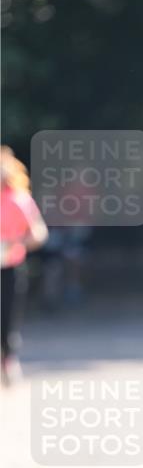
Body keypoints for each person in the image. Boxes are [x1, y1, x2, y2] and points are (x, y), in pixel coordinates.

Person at [1, 146, 49, 385]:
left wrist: (17, 242)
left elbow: (38, 233)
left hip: (10, 266)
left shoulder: (19, 200)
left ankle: (8, 359)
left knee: (8, 318)